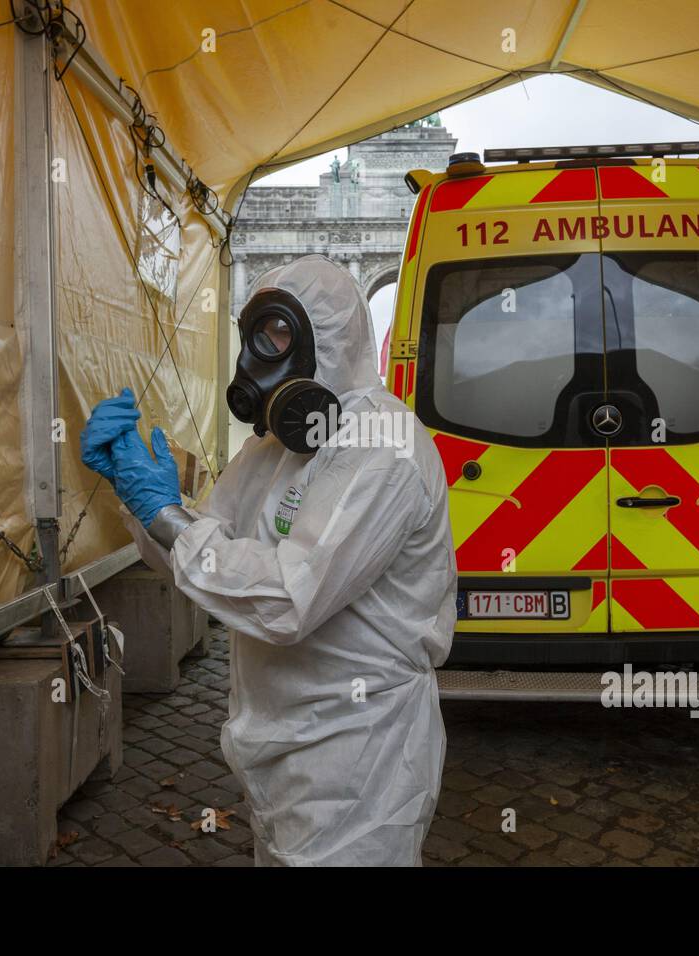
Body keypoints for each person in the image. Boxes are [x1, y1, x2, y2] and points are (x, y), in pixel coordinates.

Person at [79, 255, 457, 866]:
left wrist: (166, 516)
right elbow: (209, 555)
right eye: (255, 336)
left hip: (359, 758)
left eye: (279, 333)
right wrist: (143, 504)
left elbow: (287, 598)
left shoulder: (384, 449)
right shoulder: (274, 448)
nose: (262, 355)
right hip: (277, 756)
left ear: (327, 341)